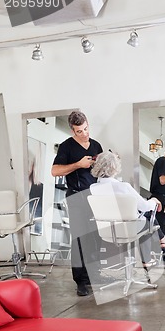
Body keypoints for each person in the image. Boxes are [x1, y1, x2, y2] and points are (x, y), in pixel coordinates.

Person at [51, 110, 103, 297]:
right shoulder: (66, 147)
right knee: (80, 239)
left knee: (95, 238)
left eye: (86, 129)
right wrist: (77, 165)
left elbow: (101, 170)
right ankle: (80, 281)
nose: (84, 133)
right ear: (72, 130)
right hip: (76, 196)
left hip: (95, 196)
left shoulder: (96, 145)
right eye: (79, 131)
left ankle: (94, 276)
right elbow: (55, 171)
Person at [90, 151, 162, 267]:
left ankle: (157, 245)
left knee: (143, 220)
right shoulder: (123, 186)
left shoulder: (94, 188)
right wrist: (153, 201)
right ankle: (146, 260)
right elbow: (144, 206)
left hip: (107, 230)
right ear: (115, 167)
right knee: (147, 223)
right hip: (127, 229)